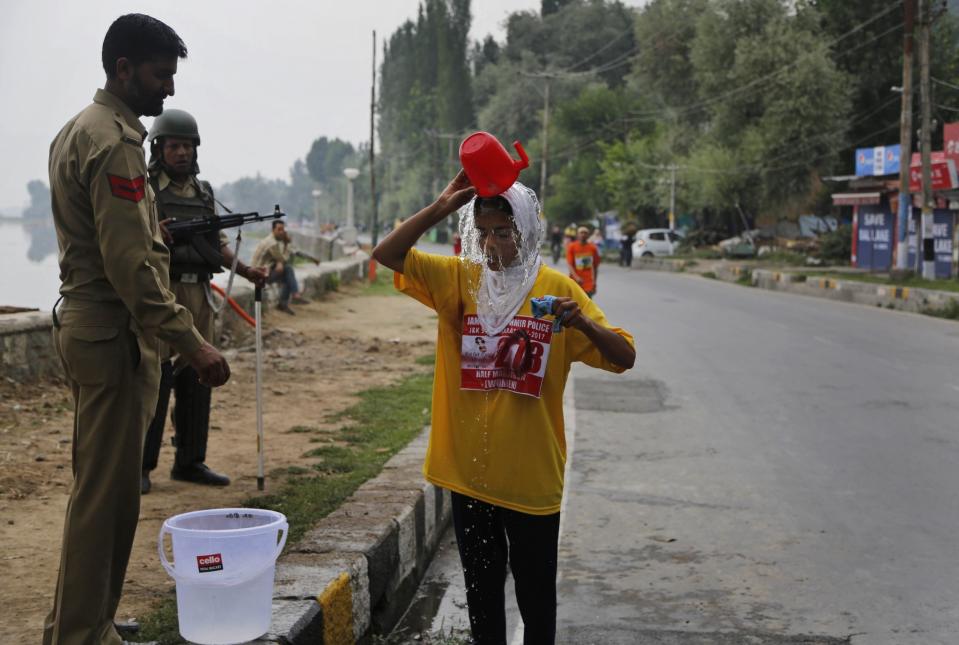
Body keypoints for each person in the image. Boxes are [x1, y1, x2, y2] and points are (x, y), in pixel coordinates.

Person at [372, 170, 635, 644]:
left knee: (536, 600)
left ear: (527, 231)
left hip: (532, 476)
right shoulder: (460, 279)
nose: (493, 244)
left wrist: (582, 325)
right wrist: (441, 206)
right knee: (483, 595)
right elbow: (386, 255)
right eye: (485, 232)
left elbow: (624, 356)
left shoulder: (558, 291)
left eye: (505, 232)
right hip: (469, 471)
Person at [45, 14, 230, 645]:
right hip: (112, 335)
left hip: (90, 329)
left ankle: (83, 622)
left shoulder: (80, 129)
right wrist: (191, 341)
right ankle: (81, 635)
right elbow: (131, 265)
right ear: (123, 69)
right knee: (107, 502)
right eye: (159, 74)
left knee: (101, 493)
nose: (168, 90)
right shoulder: (118, 142)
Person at [140, 108, 267, 494]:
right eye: (174, 146)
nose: (181, 153)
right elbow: (131, 240)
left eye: (187, 146)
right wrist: (155, 234)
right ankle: (142, 466)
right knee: (157, 380)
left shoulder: (203, 193)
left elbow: (219, 247)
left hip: (199, 294)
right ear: (159, 149)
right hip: (163, 291)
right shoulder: (145, 190)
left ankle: (190, 461)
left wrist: (246, 272)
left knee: (200, 378)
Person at [251, 220, 319, 314]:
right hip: (259, 275)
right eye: (279, 229)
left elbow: (288, 256)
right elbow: (283, 259)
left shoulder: (274, 241)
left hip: (265, 272)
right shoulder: (272, 243)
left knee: (288, 275)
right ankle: (294, 295)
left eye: (283, 229)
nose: (282, 232)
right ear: (273, 230)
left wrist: (281, 262)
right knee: (288, 270)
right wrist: (287, 244)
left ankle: (284, 303)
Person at [566, 225, 602, 297]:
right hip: (575, 281)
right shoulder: (572, 247)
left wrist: (594, 283)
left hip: (588, 283)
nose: (583, 234)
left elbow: (595, 267)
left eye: (585, 233)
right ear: (577, 235)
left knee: (587, 304)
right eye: (581, 232)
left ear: (588, 235)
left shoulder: (593, 248)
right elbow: (570, 264)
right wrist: (576, 277)